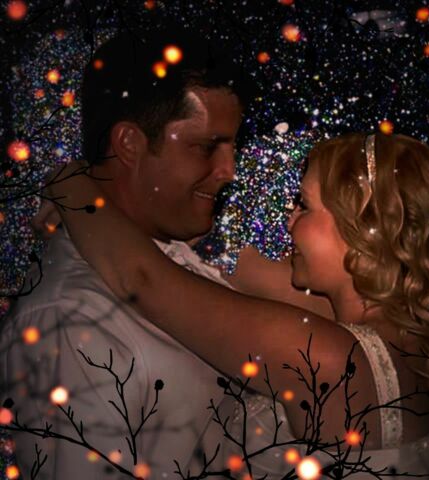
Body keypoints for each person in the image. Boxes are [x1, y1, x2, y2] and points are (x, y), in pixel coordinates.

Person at [45, 132, 429, 478]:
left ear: (363, 231)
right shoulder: (414, 330)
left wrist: (70, 185)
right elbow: (243, 269)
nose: (289, 221)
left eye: (304, 206)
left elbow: (142, 279)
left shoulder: (325, 354)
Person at [1, 27, 334, 479]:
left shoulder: (182, 260)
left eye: (232, 147)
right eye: (206, 147)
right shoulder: (70, 323)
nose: (229, 171)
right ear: (129, 143)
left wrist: (70, 183)